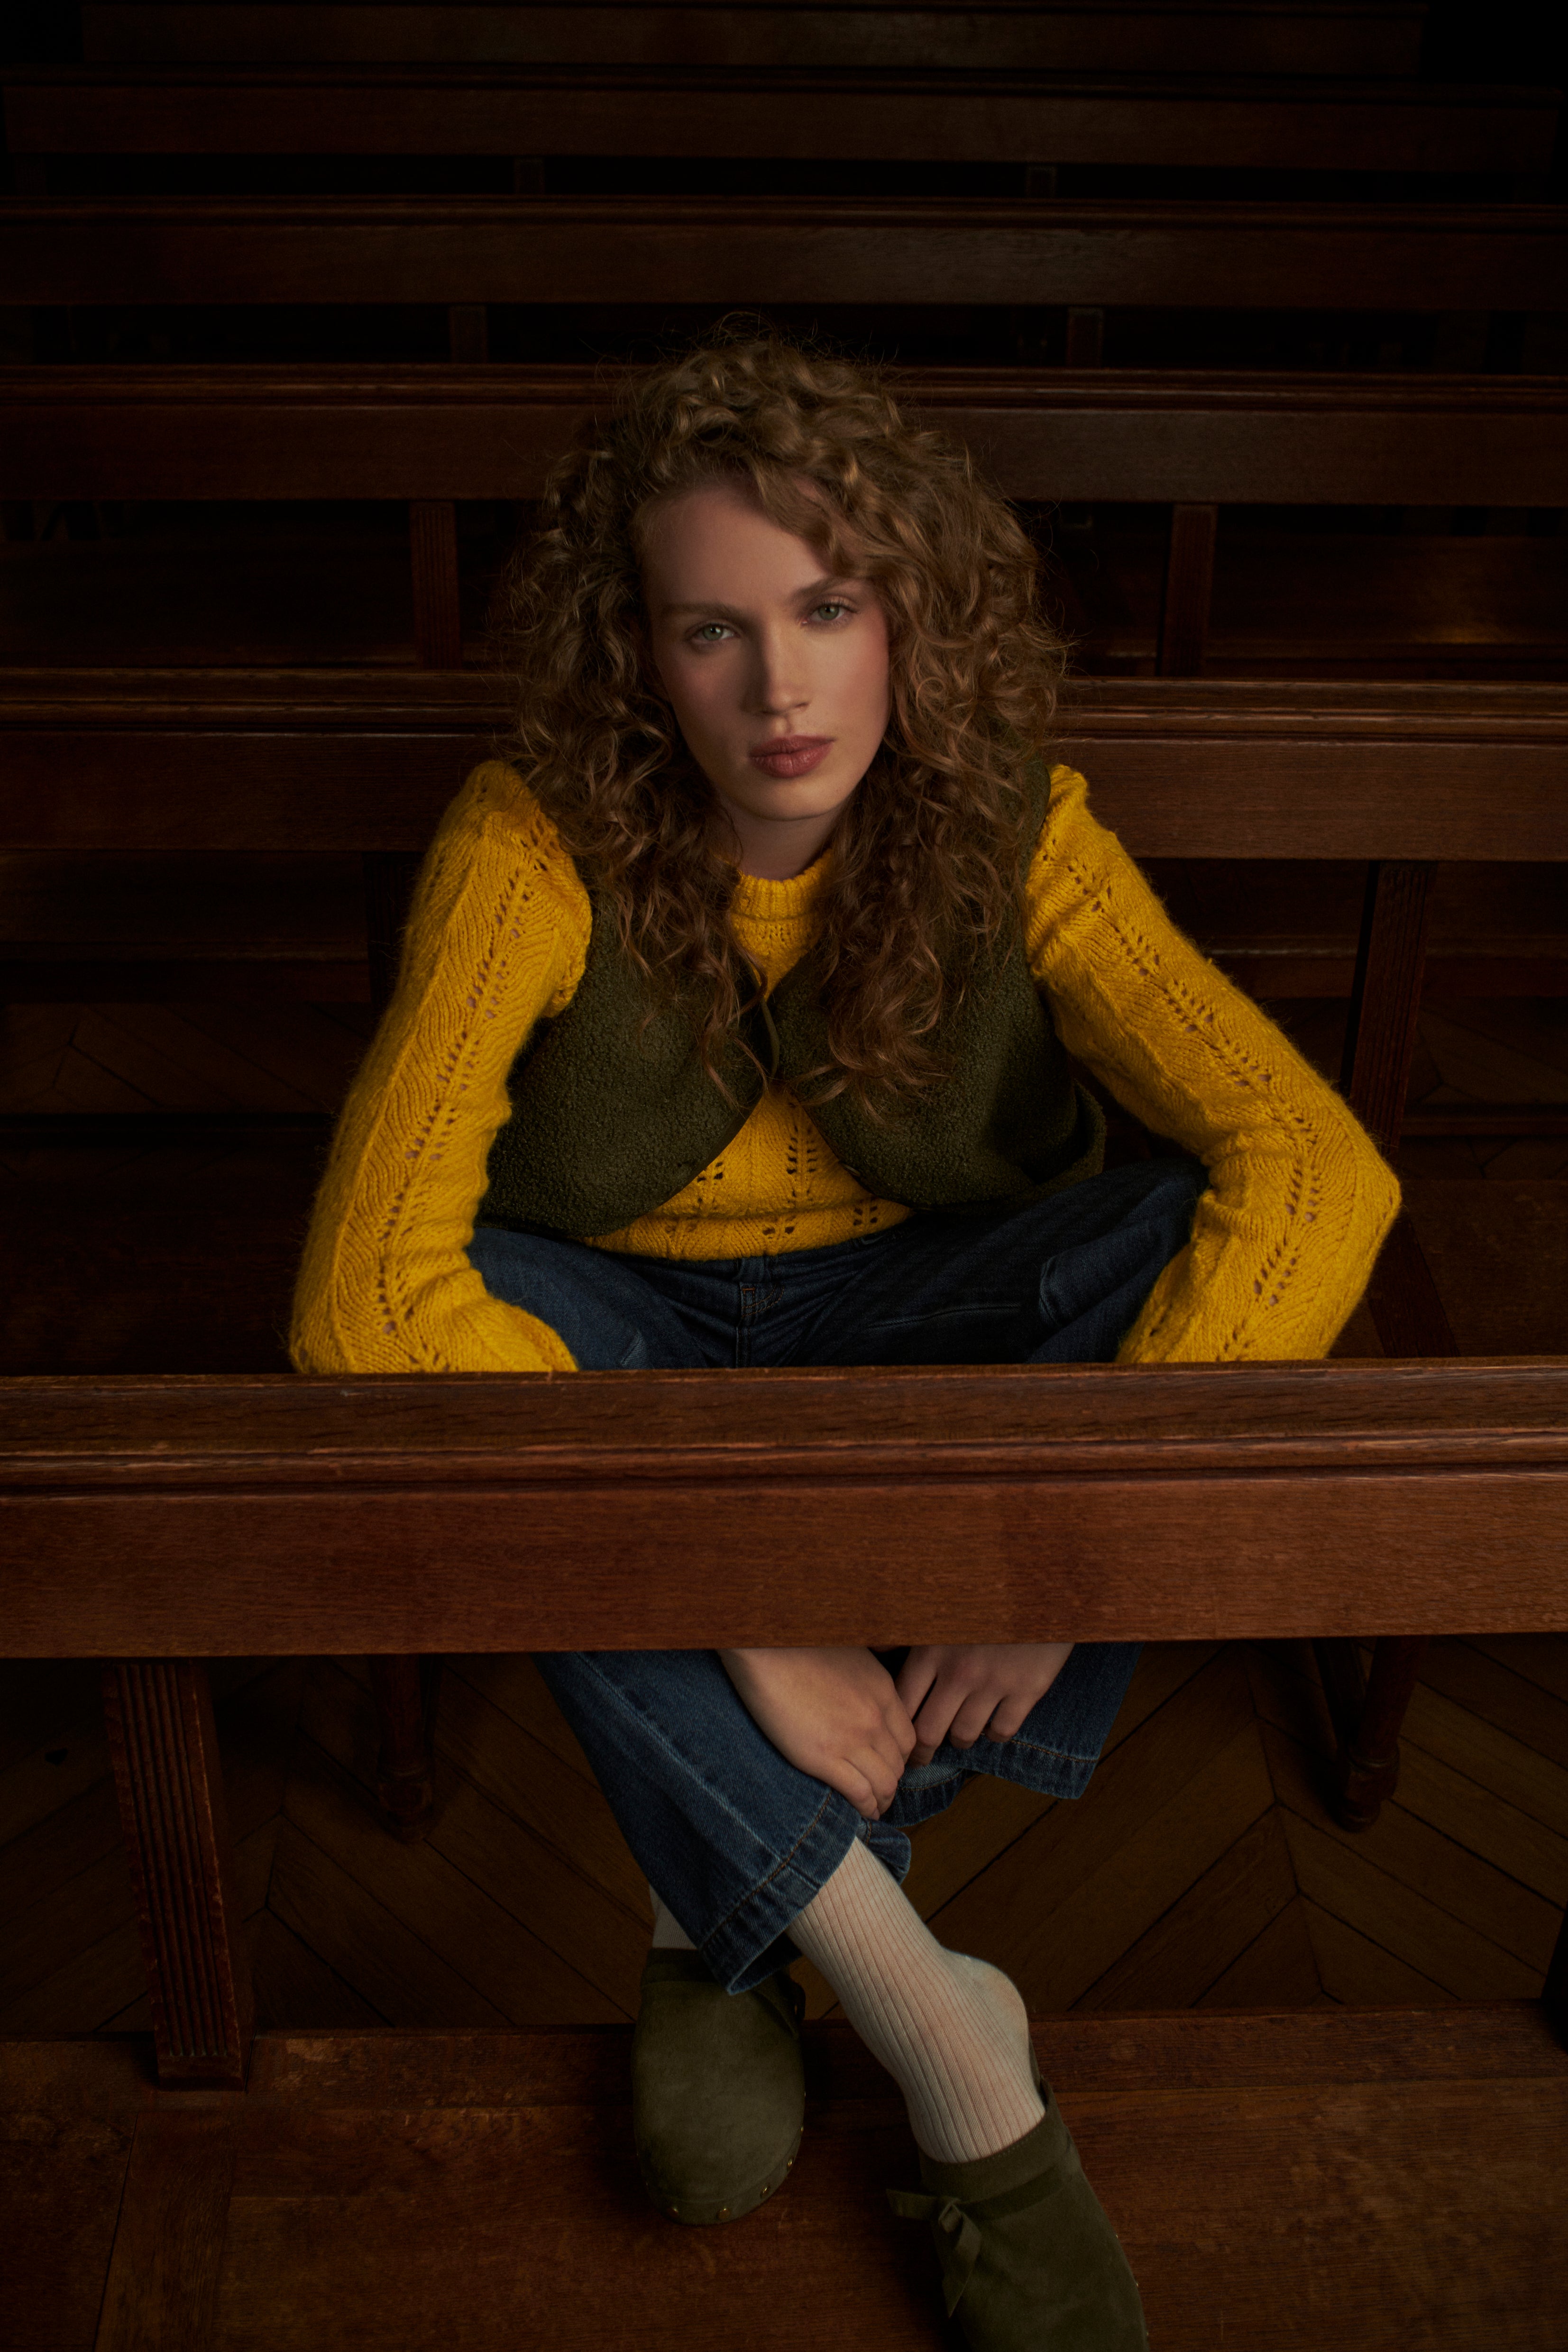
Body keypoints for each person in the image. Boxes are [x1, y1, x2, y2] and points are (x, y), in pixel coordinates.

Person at [291, 334, 1398, 2350]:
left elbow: (1315, 1166)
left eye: (825, 609)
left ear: (909, 618)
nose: (779, 691)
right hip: (624, 1326)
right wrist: (741, 1604)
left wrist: (1061, 1560)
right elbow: (360, 1298)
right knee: (462, 1349)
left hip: (916, 1310)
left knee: (1190, 1233)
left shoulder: (1014, 827)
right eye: (710, 629)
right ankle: (945, 2039)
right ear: (637, 653)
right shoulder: (526, 841)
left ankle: (710, 1910)